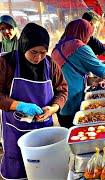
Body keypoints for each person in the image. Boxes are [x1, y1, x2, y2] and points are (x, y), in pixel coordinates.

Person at [0, 23, 68, 179]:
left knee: (43, 170)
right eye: (34, 52)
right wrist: (20, 105)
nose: (38, 58)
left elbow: (62, 90)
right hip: (15, 130)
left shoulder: (50, 64)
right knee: (19, 170)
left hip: (43, 129)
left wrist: (54, 108)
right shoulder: (6, 63)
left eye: (43, 52)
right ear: (24, 46)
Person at [51, 19, 105, 128]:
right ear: (84, 32)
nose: (89, 38)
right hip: (72, 100)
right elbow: (102, 71)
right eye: (89, 34)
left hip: (59, 101)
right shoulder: (79, 47)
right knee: (78, 133)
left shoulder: (57, 47)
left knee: (68, 133)